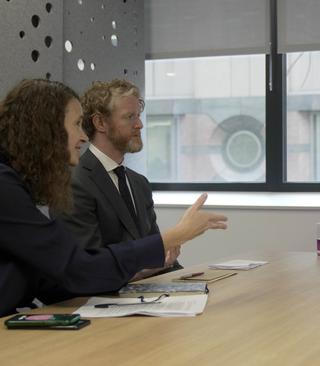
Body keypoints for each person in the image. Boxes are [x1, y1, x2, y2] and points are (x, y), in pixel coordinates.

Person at [0, 79, 228, 316]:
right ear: (45, 128)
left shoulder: (12, 184)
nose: (83, 136)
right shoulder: (5, 187)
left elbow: (53, 280)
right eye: (76, 124)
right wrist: (173, 236)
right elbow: (78, 269)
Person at [56, 79, 179, 280]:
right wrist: (158, 262)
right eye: (130, 117)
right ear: (100, 123)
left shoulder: (139, 184)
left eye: (138, 116)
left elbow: (157, 253)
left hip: (149, 298)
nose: (139, 124)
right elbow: (89, 270)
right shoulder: (74, 183)